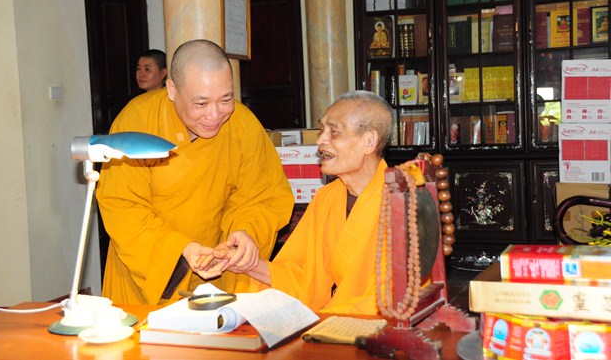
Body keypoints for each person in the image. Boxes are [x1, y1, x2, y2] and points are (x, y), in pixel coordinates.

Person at [96, 39, 294, 305]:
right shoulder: (137, 122)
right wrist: (182, 249)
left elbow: (263, 195)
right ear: (172, 90)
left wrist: (246, 233)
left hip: (218, 272)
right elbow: (122, 205)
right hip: (148, 274)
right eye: (201, 104)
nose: (215, 114)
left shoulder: (243, 125)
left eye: (226, 99)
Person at [204, 90, 397, 314]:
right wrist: (248, 264)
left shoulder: (403, 201)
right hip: (334, 318)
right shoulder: (327, 198)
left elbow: (390, 298)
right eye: (322, 130)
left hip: (378, 325)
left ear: (369, 142)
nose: (320, 140)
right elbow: (305, 277)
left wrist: (327, 320)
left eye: (334, 132)